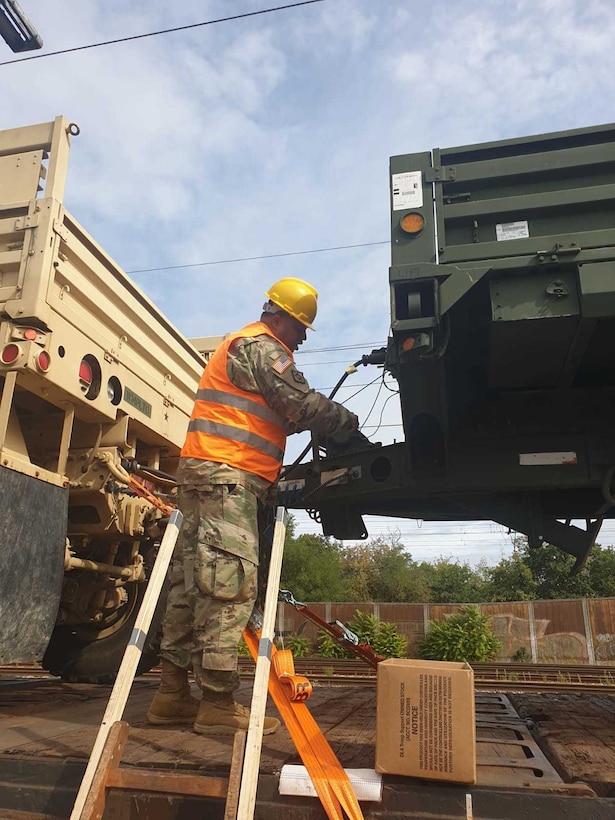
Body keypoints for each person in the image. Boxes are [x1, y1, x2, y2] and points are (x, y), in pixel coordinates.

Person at [147, 277, 359, 734]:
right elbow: (302, 405)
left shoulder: (242, 348)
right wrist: (346, 421)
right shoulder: (263, 349)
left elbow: (274, 414)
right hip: (228, 478)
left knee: (190, 587)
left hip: (207, 478)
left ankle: (171, 696)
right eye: (301, 327)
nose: (302, 338)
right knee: (229, 584)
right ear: (279, 317)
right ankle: (218, 705)